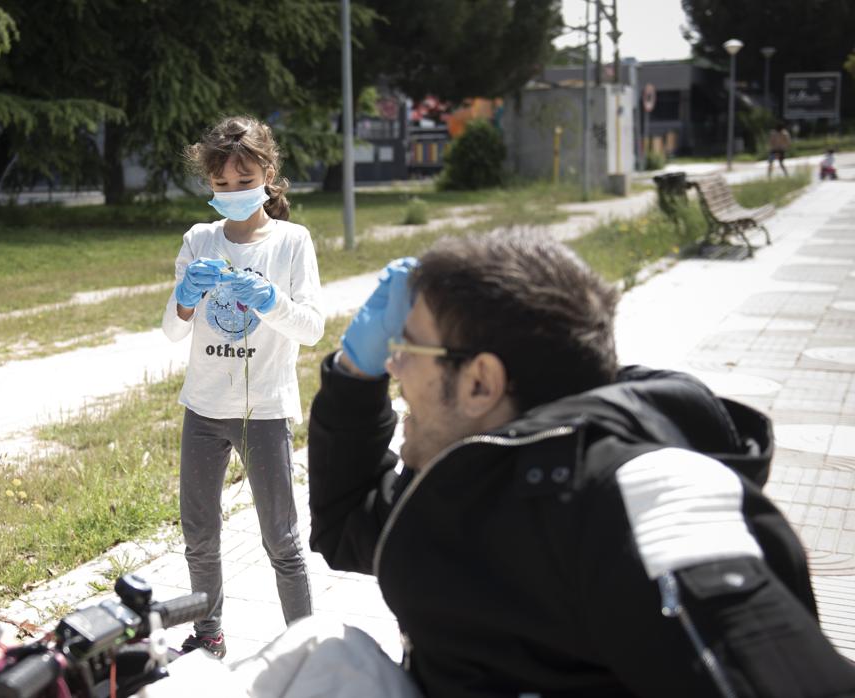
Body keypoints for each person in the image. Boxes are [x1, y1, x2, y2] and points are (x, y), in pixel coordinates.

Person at [307, 230, 855, 696]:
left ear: (480, 382)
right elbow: (349, 523)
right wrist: (353, 374)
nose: (393, 365)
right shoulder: (469, 476)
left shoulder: (651, 496)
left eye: (407, 347)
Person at [161, 115, 324, 659]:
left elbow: (312, 326)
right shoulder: (199, 238)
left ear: (268, 174)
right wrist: (185, 293)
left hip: (266, 410)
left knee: (281, 538)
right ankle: (208, 635)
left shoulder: (292, 242)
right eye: (221, 184)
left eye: (243, 180)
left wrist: (269, 299)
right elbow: (171, 329)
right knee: (199, 535)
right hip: (204, 409)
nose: (232, 192)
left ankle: (303, 643)